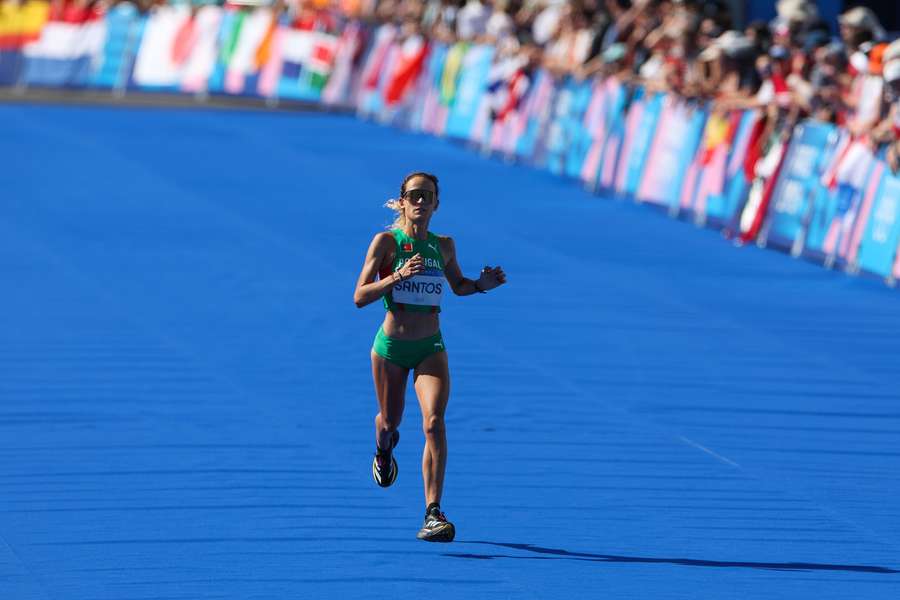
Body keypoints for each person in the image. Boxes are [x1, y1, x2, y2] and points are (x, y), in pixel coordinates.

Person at [353, 171, 507, 542]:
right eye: (415, 195)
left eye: (428, 196)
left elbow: (459, 286)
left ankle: (433, 513)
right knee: (390, 422)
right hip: (391, 348)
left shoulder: (445, 246)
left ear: (437, 205)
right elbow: (359, 295)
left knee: (434, 422)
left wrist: (481, 286)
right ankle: (383, 448)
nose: (421, 202)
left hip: (430, 348)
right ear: (402, 201)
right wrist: (397, 276)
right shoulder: (387, 243)